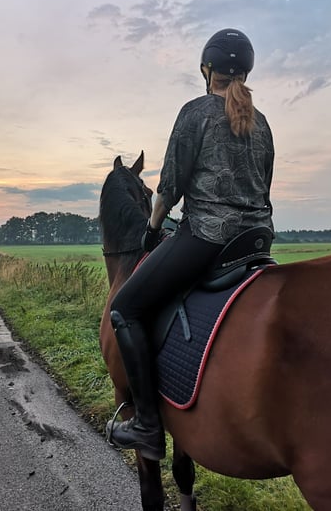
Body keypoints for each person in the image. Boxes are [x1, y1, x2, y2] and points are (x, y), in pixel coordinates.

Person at [105, 28, 275, 460]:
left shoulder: (196, 112)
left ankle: (146, 426)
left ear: (207, 69)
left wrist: (151, 228)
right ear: (245, 71)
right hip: (256, 239)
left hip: (208, 238)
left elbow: (169, 188)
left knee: (125, 308)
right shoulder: (262, 123)